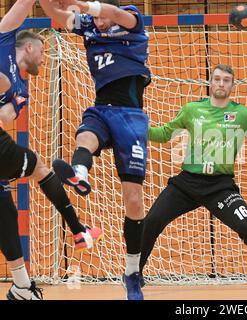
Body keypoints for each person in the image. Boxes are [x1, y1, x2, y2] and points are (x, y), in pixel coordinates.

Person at [139, 64, 247, 290]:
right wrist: (140, 129)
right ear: (210, 83)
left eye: (226, 80)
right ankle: (135, 272)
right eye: (217, 79)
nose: (221, 83)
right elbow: (164, 134)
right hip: (187, 183)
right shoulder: (191, 109)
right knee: (152, 220)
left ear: (232, 85)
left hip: (220, 187)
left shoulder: (242, 114)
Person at [39, 0, 151, 300]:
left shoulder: (132, 21)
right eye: (93, 18)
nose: (97, 22)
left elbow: (113, 14)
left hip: (131, 117)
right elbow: (55, 14)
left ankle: (131, 271)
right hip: (102, 109)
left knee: (134, 201)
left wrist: (82, 5)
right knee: (85, 135)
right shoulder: (89, 27)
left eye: (97, 16)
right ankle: (79, 173)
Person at [0, 0, 102, 300]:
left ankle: (21, 286)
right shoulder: (5, 37)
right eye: (43, 53)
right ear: (29, 48)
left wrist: (9, 107)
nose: (44, 60)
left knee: (4, 207)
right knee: (40, 167)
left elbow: (5, 117)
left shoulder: (19, 87)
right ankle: (78, 230)